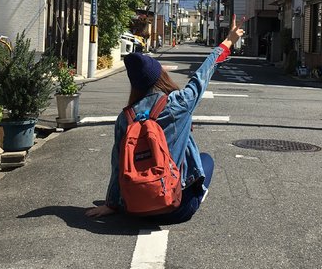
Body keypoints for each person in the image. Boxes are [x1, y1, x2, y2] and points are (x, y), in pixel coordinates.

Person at [85, 16, 245, 222]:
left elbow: (117, 164)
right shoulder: (180, 102)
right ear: (160, 76)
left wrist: (111, 204)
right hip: (176, 208)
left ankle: (141, 196)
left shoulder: (125, 117)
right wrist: (229, 41)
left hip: (134, 209)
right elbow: (203, 74)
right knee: (206, 159)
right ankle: (194, 193)